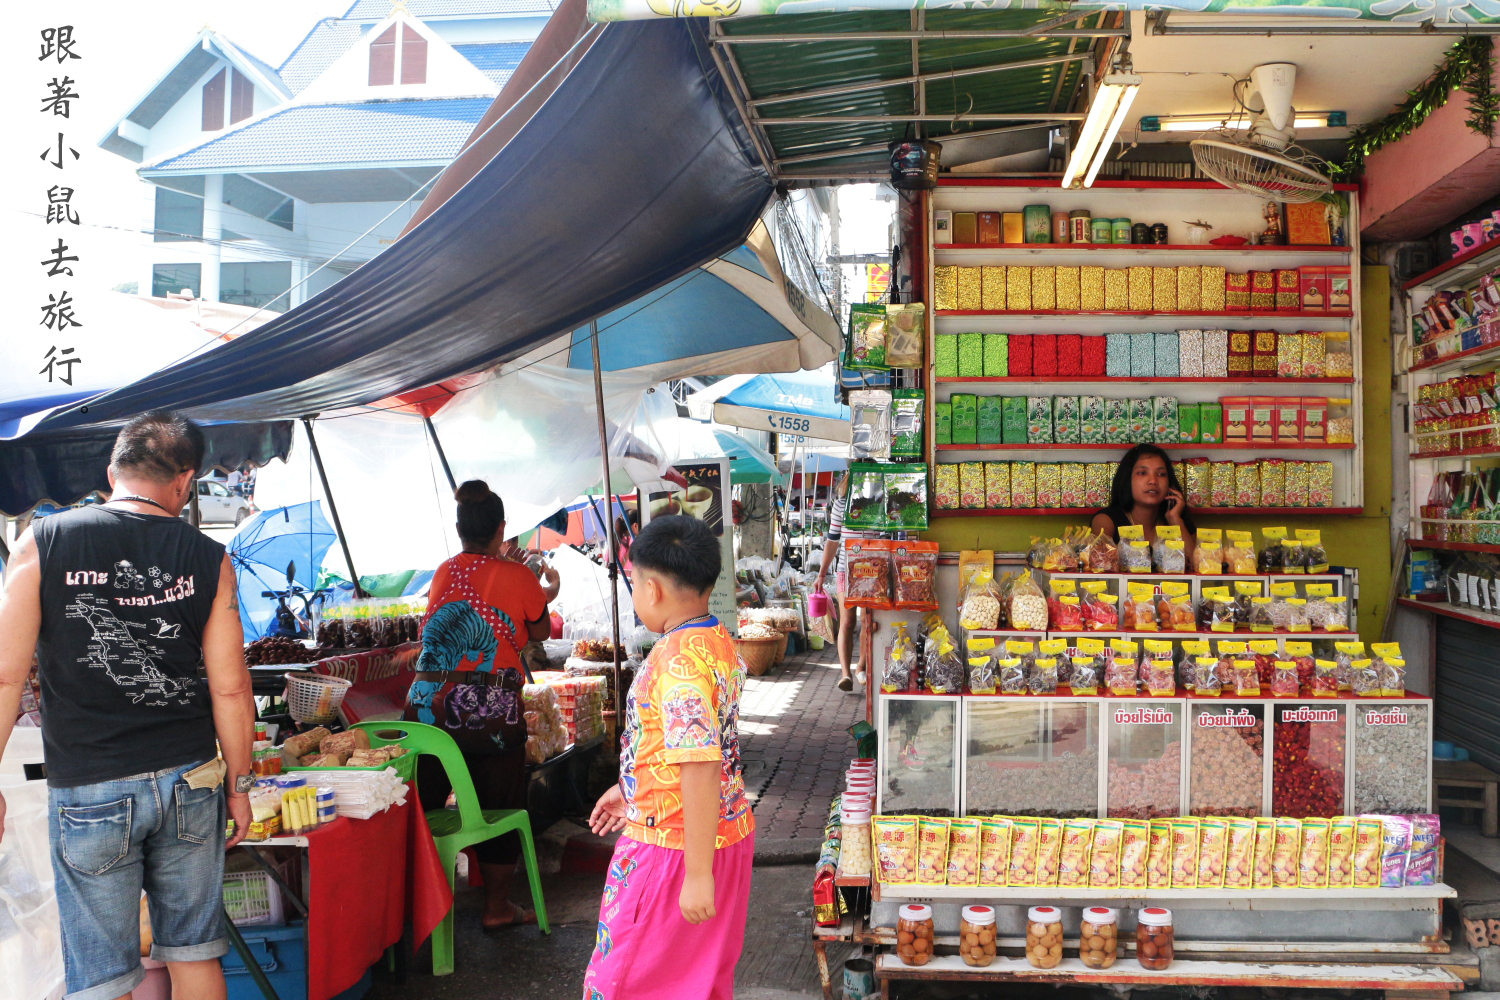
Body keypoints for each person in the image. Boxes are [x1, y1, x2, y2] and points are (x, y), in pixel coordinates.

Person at [0, 409, 255, 1000]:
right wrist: (239, 786)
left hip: (90, 788)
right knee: (194, 950)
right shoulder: (207, 558)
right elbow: (232, 688)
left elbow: (6, 679)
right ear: (185, 481)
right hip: (191, 782)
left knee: (103, 977)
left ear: (111, 471)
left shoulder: (40, 544)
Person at [583, 515, 754, 1000]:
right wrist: (633, 787)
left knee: (624, 981)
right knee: (697, 980)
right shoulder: (713, 638)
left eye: (633, 583)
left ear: (651, 588)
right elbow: (687, 744)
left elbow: (699, 761)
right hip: (715, 834)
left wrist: (696, 875)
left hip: (676, 849)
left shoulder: (676, 661)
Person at [405, 480, 555, 931]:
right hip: (486, 711)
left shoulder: (442, 572)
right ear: (501, 529)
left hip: (425, 709)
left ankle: (420, 912)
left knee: (424, 807)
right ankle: (495, 909)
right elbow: (543, 632)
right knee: (502, 802)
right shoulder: (519, 574)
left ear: (459, 528)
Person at [1089, 443, 1198, 563]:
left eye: (1161, 474)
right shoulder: (1106, 521)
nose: (1153, 481)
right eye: (1142, 473)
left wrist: (1175, 519)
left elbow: (1199, 567)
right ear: (1126, 479)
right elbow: (1099, 567)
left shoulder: (1178, 520)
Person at [813, 472, 863, 692]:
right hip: (846, 571)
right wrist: (821, 574)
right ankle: (846, 674)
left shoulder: (883, 504)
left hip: (876, 571)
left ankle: (861, 666)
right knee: (847, 622)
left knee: (870, 623)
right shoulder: (842, 504)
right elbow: (832, 541)